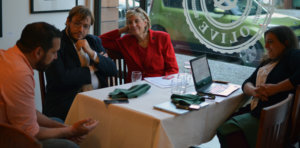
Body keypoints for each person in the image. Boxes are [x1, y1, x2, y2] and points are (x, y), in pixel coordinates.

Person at [0, 22, 99, 148]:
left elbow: (28, 112)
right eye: (54, 52)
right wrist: (72, 131)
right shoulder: (19, 73)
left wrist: (64, 127)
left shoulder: (8, 56)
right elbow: (31, 133)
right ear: (38, 52)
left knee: (58, 122)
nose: (56, 57)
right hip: (5, 139)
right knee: (69, 146)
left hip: (9, 127)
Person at [217, 26, 300, 148]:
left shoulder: (292, 55)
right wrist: (254, 91)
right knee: (222, 120)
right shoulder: (268, 61)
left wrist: (276, 88)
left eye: (270, 42)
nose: (266, 46)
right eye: (265, 41)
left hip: (273, 120)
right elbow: (247, 82)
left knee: (226, 129)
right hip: (262, 113)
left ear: (286, 43)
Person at [44, 6, 117, 121]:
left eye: (86, 26)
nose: (81, 30)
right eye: (77, 24)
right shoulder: (56, 42)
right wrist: (94, 67)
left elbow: (112, 70)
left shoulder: (94, 41)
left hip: (99, 99)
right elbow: (62, 78)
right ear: (68, 21)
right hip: (67, 102)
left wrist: (92, 53)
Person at [99, 7, 179, 82]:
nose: (133, 25)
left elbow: (173, 69)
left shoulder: (162, 38)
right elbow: (100, 40)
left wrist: (163, 83)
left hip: (158, 85)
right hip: (134, 87)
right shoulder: (125, 41)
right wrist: (122, 30)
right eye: (130, 23)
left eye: (136, 21)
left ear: (145, 22)